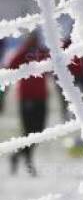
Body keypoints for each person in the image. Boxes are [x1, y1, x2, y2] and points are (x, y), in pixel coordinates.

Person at [7, 32, 50, 176]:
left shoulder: (43, 52)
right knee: (29, 132)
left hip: (42, 97)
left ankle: (16, 155)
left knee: (39, 131)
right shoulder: (22, 53)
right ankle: (29, 164)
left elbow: (54, 68)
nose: (35, 39)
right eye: (32, 37)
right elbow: (8, 72)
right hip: (27, 98)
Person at [59, 37, 83, 157]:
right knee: (66, 99)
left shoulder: (80, 42)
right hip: (69, 76)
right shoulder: (65, 44)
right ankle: (68, 118)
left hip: (80, 74)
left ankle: (80, 114)